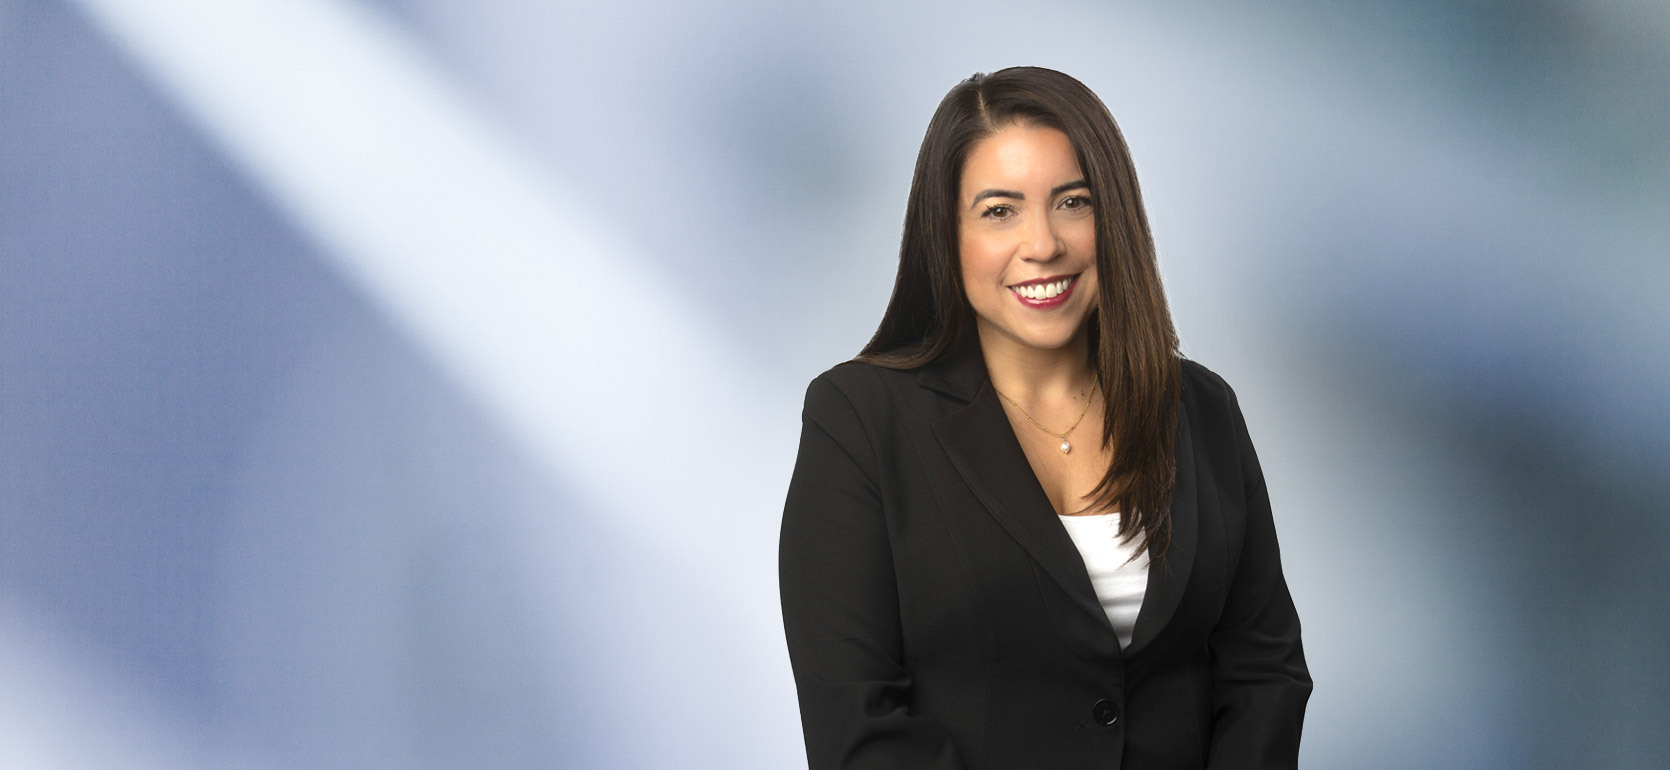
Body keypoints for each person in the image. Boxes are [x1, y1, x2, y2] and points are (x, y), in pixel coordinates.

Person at [778, 66, 1312, 769]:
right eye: (999, 210)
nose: (1043, 244)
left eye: (1073, 202)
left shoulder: (1201, 409)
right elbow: (856, 721)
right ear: (946, 233)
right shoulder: (860, 420)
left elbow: (1264, 671)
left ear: (1112, 216)